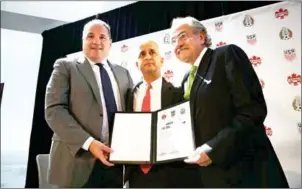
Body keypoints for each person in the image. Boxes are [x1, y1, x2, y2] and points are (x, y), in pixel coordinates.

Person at [170, 16, 289, 188]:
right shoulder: (186, 79)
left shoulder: (226, 55)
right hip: (211, 177)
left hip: (246, 172)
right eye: (173, 41)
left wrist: (213, 149)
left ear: (201, 37)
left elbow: (252, 111)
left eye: (182, 36)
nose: (177, 44)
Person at [45, 19, 134, 188]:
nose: (96, 41)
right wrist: (89, 143)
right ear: (83, 40)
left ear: (110, 43)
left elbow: (131, 114)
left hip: (115, 163)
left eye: (102, 37)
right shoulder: (65, 67)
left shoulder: (124, 73)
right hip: (76, 161)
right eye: (90, 36)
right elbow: (54, 111)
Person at [124, 40, 202, 188]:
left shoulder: (178, 93)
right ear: (136, 64)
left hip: (170, 173)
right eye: (142, 54)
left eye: (152, 52)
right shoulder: (128, 95)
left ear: (162, 60)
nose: (147, 57)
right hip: (136, 175)